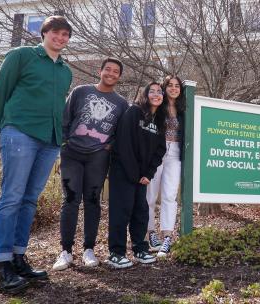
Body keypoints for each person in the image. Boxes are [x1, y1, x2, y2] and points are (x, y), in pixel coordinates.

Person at [0, 16, 72, 293]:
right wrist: (5, 127)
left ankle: (18, 258)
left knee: (29, 200)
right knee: (12, 197)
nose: (60, 38)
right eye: (56, 33)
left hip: (50, 140)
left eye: (65, 35)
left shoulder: (65, 70)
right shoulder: (21, 56)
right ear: (44, 33)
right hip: (20, 132)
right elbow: (0, 94)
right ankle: (3, 265)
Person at [52, 58, 128, 271]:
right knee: (70, 200)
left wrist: (110, 146)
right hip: (72, 154)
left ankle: (89, 250)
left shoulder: (121, 104)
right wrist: (65, 144)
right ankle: (66, 251)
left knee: (93, 201)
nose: (111, 74)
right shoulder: (80, 91)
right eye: (108, 70)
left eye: (116, 71)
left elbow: (121, 132)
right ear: (100, 71)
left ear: (119, 77)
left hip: (98, 156)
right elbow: (65, 119)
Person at [106, 82, 166, 269]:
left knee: (140, 212)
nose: (156, 94)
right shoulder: (134, 112)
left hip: (142, 177)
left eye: (160, 92)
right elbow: (124, 144)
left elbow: (160, 150)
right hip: (123, 172)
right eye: (152, 91)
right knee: (120, 212)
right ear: (145, 94)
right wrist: (134, 174)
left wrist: (148, 174)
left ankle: (140, 249)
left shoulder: (159, 121)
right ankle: (116, 253)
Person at [146, 75, 185, 257]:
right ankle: (151, 233)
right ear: (164, 87)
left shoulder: (183, 108)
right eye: (170, 85)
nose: (174, 88)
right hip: (156, 152)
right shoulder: (157, 105)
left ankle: (167, 236)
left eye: (177, 86)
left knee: (170, 195)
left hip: (175, 154)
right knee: (150, 195)